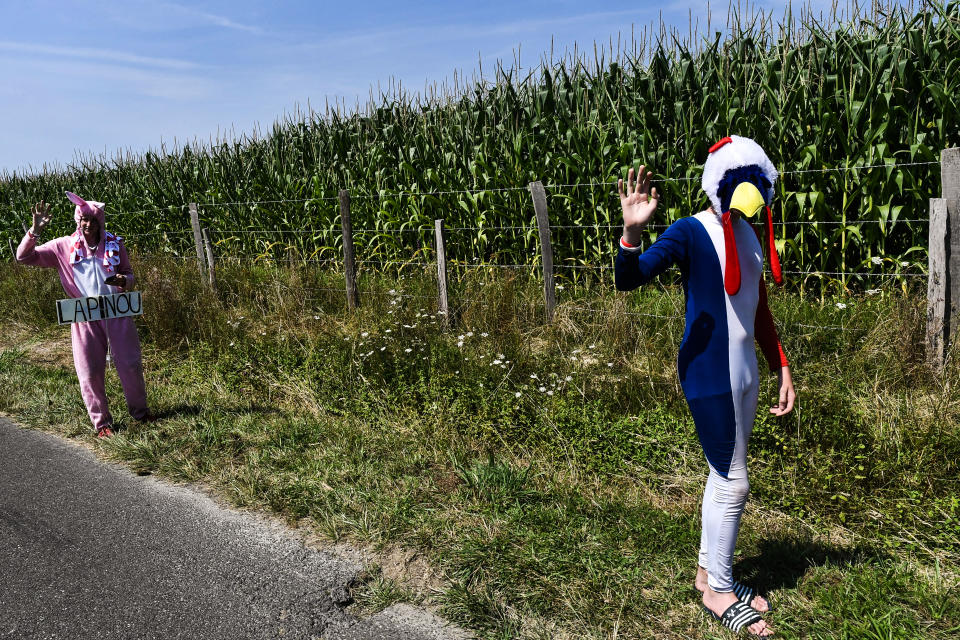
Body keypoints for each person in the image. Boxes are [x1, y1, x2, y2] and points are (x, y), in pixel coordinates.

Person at [614, 136, 796, 637]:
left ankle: (706, 572)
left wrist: (780, 366)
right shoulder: (690, 231)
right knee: (734, 482)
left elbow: (758, 311)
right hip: (708, 375)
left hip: (747, 378)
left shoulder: (750, 235)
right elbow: (630, 279)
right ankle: (718, 590)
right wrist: (631, 233)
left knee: (723, 477)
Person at [17, 192, 150, 438]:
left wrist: (125, 280)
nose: (88, 225)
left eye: (93, 220)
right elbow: (24, 257)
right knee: (89, 371)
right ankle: (102, 424)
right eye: (83, 220)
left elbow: (129, 274)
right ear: (77, 221)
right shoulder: (62, 247)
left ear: (101, 223)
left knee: (130, 365)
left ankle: (140, 414)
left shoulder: (115, 243)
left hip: (116, 311)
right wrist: (34, 232)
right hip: (84, 316)